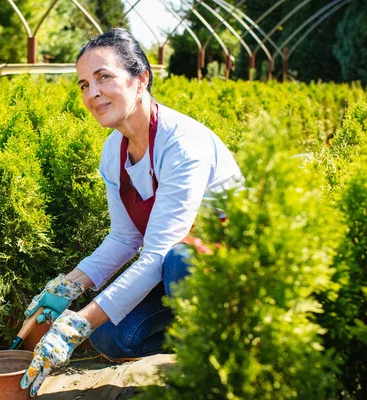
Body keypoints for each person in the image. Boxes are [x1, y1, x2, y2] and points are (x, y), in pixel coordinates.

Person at [20, 28, 243, 397]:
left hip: (229, 272)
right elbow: (125, 238)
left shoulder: (183, 144)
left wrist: (75, 325)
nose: (92, 93)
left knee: (179, 260)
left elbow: (157, 253)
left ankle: (219, 355)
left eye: (103, 77)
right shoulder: (114, 151)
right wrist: (68, 285)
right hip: (178, 278)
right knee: (110, 337)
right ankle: (192, 334)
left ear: (141, 79)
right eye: (83, 85)